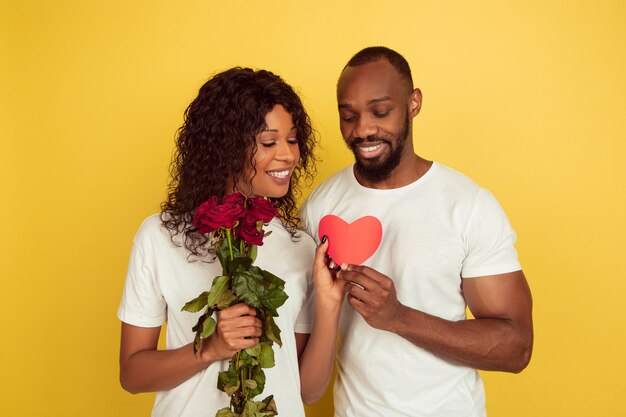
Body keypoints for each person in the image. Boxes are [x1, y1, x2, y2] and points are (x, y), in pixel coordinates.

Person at [300, 46, 534, 417]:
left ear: (413, 103)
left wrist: (398, 317)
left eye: (380, 111)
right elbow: (305, 348)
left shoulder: (468, 206)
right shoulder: (320, 206)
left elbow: (516, 347)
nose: (363, 129)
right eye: (349, 116)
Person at [117, 67, 342, 417]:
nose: (288, 156)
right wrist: (210, 348)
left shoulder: (300, 248)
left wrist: (329, 304)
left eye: (293, 139)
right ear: (226, 147)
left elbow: (309, 391)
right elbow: (132, 374)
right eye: (269, 142)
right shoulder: (160, 237)